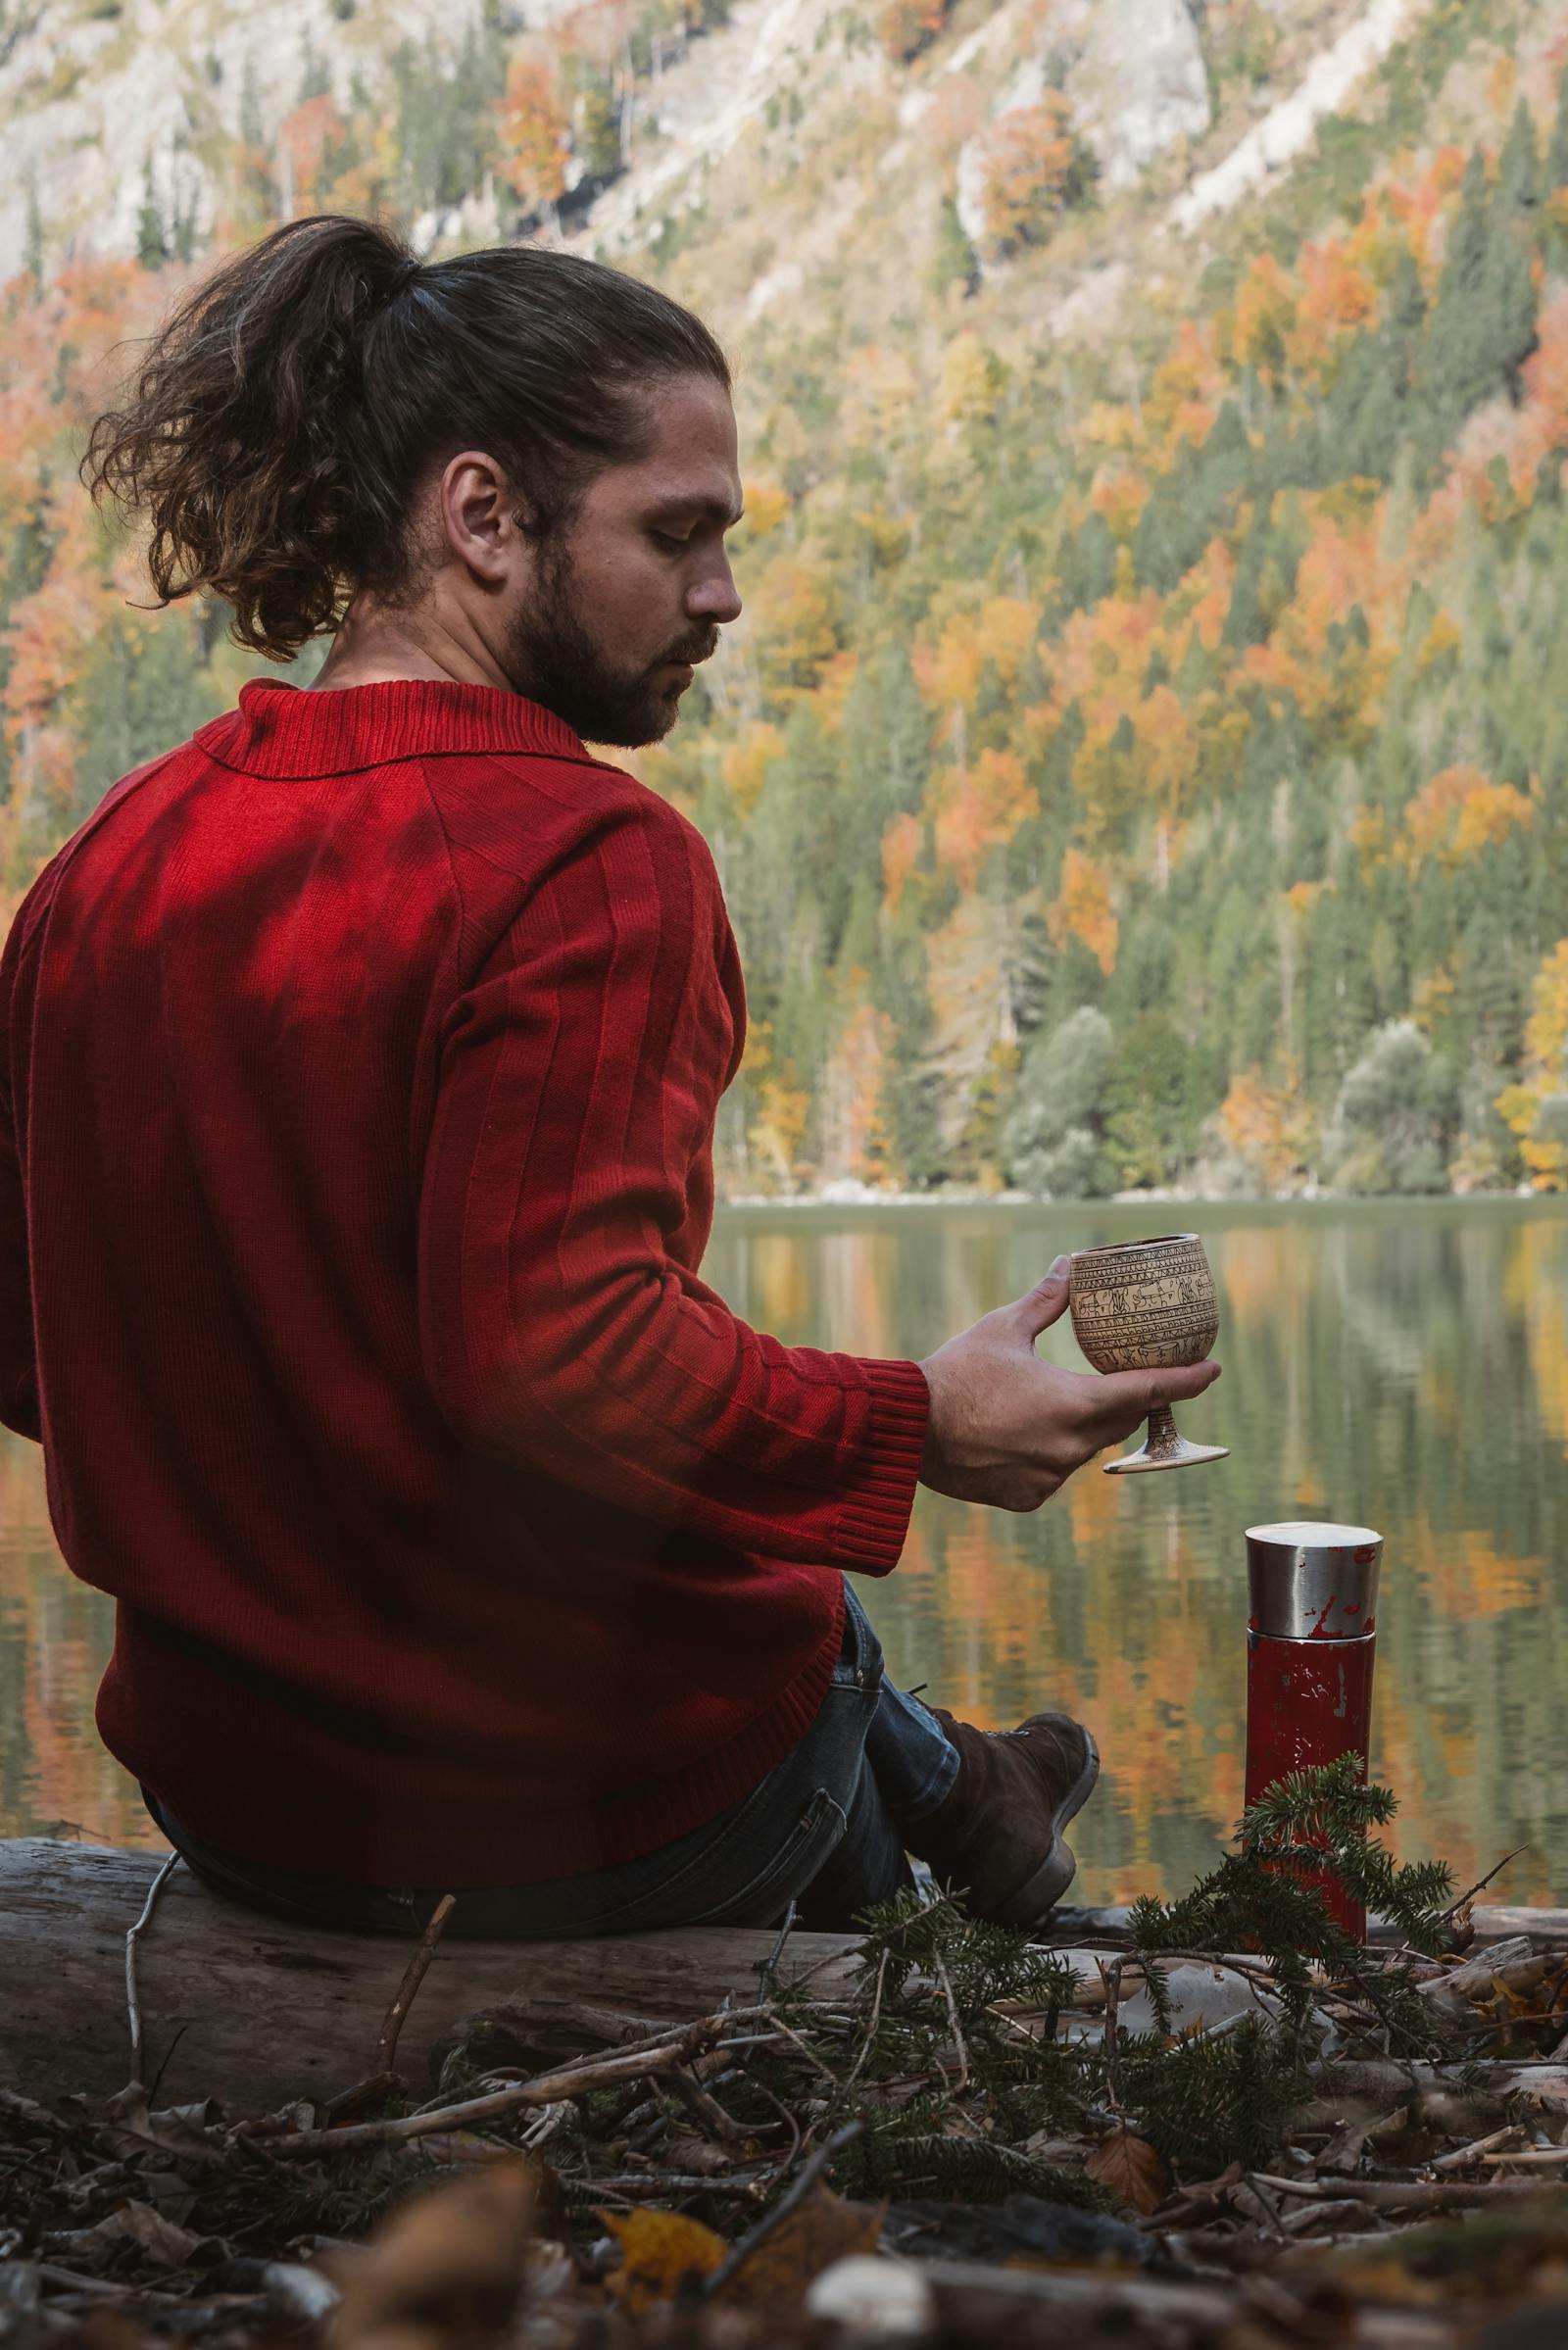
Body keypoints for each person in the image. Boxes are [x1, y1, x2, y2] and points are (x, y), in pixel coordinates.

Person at [0, 216, 1219, 1940]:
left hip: (238, 1808)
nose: (721, 595)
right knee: (788, 1611)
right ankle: (972, 1802)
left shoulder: (113, 858)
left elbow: (33, 1335)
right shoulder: (584, 859)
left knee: (730, 1577)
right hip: (575, 1828)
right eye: (679, 533)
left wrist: (295, 1469)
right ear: (483, 516)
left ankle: (968, 1789)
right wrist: (919, 1423)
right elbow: (556, 1358)